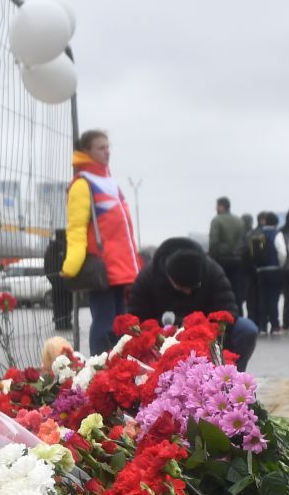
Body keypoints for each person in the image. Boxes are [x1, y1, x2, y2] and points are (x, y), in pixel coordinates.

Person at [60, 130, 143, 355]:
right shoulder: (82, 184)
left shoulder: (109, 182)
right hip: (103, 268)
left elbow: (126, 230)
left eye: (108, 147)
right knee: (104, 323)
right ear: (86, 152)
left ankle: (119, 370)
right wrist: (71, 266)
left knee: (121, 325)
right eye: (100, 147)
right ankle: (99, 369)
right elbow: (76, 229)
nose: (107, 152)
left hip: (122, 266)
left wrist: (136, 263)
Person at [127, 237, 259, 368]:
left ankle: (230, 379)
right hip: (164, 340)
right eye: (182, 288)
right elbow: (137, 318)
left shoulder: (212, 271)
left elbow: (228, 312)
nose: (188, 292)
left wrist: (203, 334)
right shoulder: (148, 277)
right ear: (169, 277)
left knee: (247, 329)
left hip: (207, 336)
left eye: (194, 287)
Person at [207, 197, 248, 323]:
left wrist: (211, 260)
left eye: (217, 206)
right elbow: (244, 241)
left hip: (221, 260)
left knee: (220, 291)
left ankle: (221, 319)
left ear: (221, 206)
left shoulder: (217, 220)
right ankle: (238, 318)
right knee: (236, 292)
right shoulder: (240, 221)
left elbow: (214, 242)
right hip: (237, 261)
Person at [246, 210, 285, 333]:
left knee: (263, 298)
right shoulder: (277, 234)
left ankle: (262, 325)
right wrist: (281, 265)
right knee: (273, 298)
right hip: (274, 270)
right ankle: (274, 325)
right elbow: (282, 252)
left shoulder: (258, 234)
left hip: (260, 270)